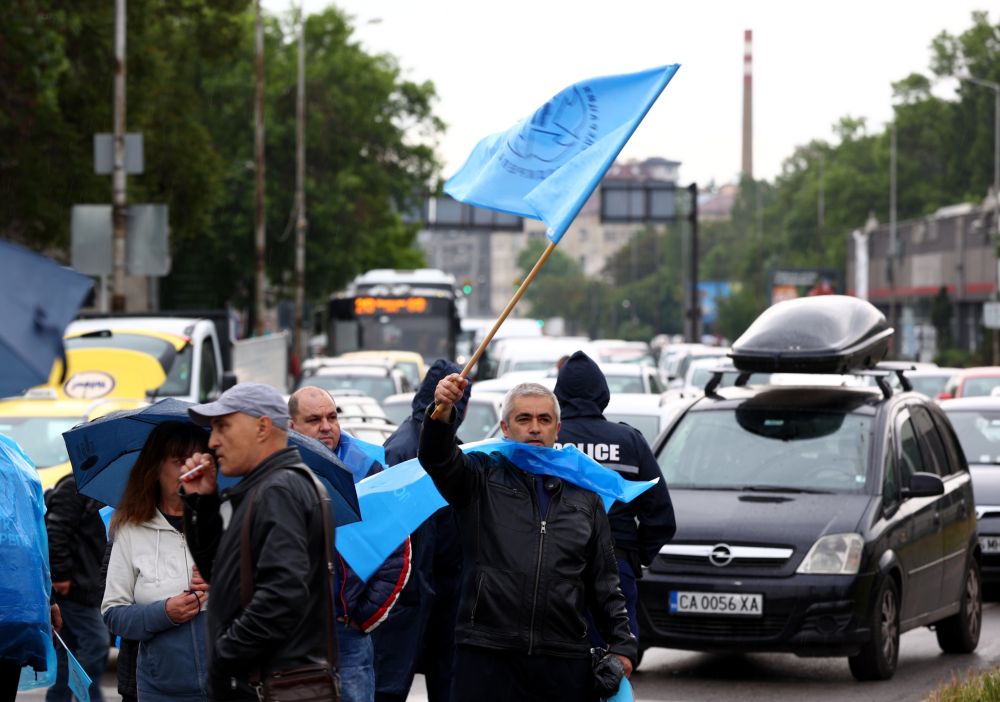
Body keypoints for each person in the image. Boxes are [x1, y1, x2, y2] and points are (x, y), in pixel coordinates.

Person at [420, 375, 637, 702]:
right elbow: (437, 457)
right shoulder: (478, 477)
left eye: (544, 419)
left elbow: (604, 581)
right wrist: (442, 410)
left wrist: (623, 645)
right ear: (505, 428)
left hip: (563, 658)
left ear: (557, 430)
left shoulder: (586, 498)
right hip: (486, 652)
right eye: (524, 418)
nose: (535, 427)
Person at [179, 383, 332, 701]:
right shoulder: (265, 486)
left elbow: (282, 595)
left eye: (223, 426)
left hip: (269, 687)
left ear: (262, 427)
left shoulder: (279, 489)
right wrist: (202, 505)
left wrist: (225, 656)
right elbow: (223, 578)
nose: (212, 441)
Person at [288, 387, 411, 702]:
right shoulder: (275, 473)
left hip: (347, 632)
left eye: (332, 417)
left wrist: (364, 616)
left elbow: (396, 546)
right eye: (314, 419)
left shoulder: (364, 469)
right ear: (291, 426)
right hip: (288, 632)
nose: (326, 426)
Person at [553, 350, 676, 645]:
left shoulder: (546, 440)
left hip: (552, 568)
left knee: (555, 667)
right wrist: (634, 556)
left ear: (558, 394)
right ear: (602, 393)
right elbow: (660, 515)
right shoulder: (629, 441)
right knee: (614, 663)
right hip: (615, 566)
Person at [373, 360, 470, 702]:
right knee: (392, 688)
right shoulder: (404, 449)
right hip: (412, 594)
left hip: (433, 593)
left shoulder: (439, 443)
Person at [101, 421, 212, 702]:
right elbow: (113, 614)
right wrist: (164, 613)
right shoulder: (130, 529)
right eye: (178, 461)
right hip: (160, 689)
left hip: (227, 685)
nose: (190, 468)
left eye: (197, 459)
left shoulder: (224, 518)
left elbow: (260, 599)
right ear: (155, 469)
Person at [45, 473, 109, 702]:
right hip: (73, 588)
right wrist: (61, 575)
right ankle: (89, 698)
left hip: (88, 585)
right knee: (96, 643)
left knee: (67, 653)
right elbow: (55, 530)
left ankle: (60, 698)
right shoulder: (72, 487)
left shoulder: (97, 488)